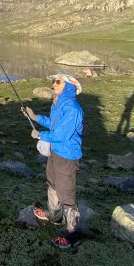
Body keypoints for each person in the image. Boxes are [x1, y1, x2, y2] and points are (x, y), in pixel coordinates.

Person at [23, 72, 84, 249]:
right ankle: (55, 216)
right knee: (53, 183)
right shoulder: (59, 103)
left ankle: (73, 233)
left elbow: (63, 134)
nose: (53, 83)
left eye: (57, 81)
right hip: (55, 152)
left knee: (66, 193)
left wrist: (40, 134)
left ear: (69, 85)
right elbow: (54, 124)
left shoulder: (72, 107)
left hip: (67, 156)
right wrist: (35, 118)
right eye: (53, 81)